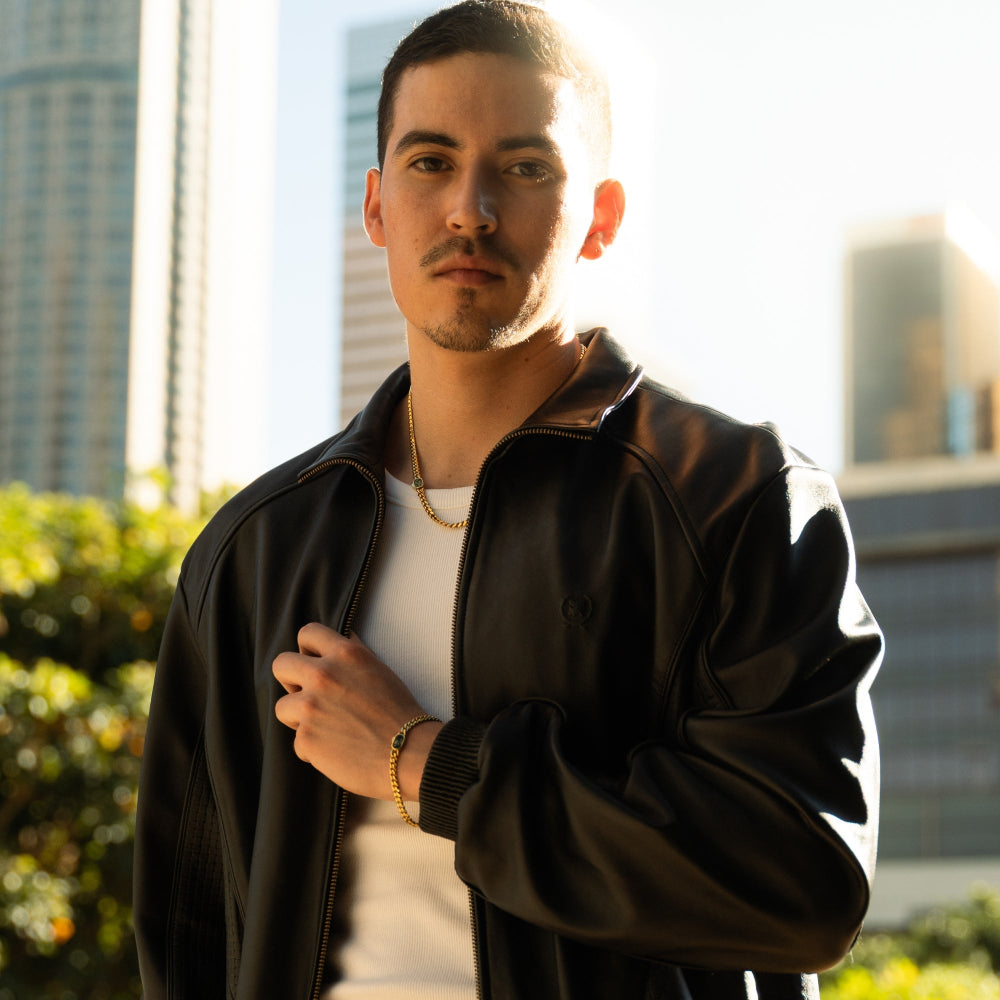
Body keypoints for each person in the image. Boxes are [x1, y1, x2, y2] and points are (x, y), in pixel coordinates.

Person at [133, 2, 882, 998]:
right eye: (430, 161)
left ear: (601, 217)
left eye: (525, 167)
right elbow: (185, 925)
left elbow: (801, 882)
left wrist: (424, 760)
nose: (469, 210)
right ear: (375, 206)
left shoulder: (733, 496)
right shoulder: (256, 548)